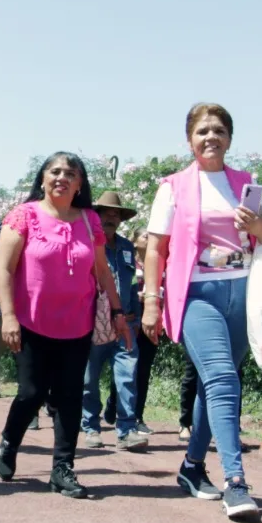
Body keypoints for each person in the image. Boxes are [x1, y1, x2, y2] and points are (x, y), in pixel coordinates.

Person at [141, 103, 262, 520]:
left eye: (219, 130)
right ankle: (236, 482)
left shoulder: (246, 183)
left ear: (230, 138)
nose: (211, 137)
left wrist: (256, 227)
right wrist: (151, 302)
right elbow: (157, 247)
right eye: (202, 131)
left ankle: (192, 468)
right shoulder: (173, 187)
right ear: (190, 139)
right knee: (223, 379)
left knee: (218, 387)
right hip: (196, 294)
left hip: (243, 294)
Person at [0, 153, 132, 498]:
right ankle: (10, 441)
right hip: (31, 322)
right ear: (42, 179)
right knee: (31, 393)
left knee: (71, 396)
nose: (62, 177)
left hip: (78, 324)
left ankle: (62, 469)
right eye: (54, 171)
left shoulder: (89, 221)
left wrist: (118, 312)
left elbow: (102, 271)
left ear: (79, 184)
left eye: (70, 173)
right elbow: (5, 271)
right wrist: (8, 316)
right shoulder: (24, 216)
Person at [80, 191, 148, 451]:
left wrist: (137, 319)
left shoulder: (127, 248)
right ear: (96, 216)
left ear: (120, 219)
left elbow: (131, 284)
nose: (110, 217)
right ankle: (91, 427)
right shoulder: (87, 245)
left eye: (115, 213)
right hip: (93, 323)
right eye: (105, 212)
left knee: (127, 377)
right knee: (89, 379)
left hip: (126, 324)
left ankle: (127, 430)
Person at [105, 231, 156, 438]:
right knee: (123, 368)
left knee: (141, 369)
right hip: (123, 318)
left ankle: (136, 417)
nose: (148, 238)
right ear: (134, 242)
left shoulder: (156, 264)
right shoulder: (124, 259)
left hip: (148, 319)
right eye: (144, 235)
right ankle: (113, 403)